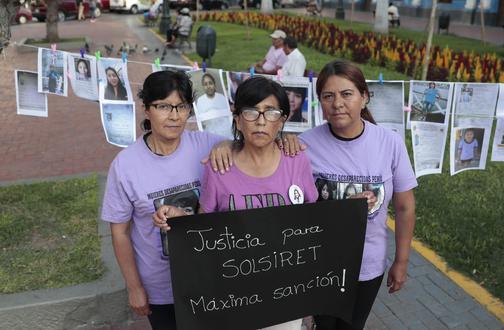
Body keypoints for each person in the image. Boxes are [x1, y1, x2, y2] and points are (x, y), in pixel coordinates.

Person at [154, 76, 318, 330]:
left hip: (285, 293)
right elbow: (205, 230)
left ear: (283, 120)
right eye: (251, 112)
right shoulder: (220, 168)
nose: (261, 121)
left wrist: (310, 297)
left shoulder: (297, 160)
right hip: (232, 295)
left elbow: (314, 224)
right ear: (237, 118)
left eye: (271, 112)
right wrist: (179, 218)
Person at [101, 71, 226, 330]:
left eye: (182, 106)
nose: (174, 115)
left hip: (212, 279)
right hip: (161, 289)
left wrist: (230, 146)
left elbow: (255, 150)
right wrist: (135, 288)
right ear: (146, 109)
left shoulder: (208, 145)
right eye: (163, 106)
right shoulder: (125, 166)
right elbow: (120, 232)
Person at [299, 60, 417, 330]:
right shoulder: (304, 145)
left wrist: (401, 261)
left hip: (368, 265)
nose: (337, 103)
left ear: (364, 97)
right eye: (328, 96)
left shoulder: (390, 143)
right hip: (320, 266)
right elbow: (296, 208)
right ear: (320, 102)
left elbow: (404, 208)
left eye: (346, 94)